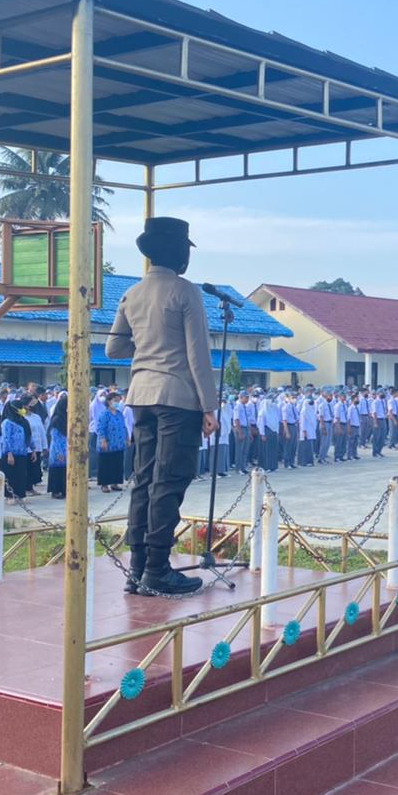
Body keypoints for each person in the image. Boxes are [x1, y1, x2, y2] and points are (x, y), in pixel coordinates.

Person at [106, 216, 218, 597]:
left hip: (140, 396)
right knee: (168, 483)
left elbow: (114, 348)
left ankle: (136, 569)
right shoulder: (184, 292)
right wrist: (209, 406)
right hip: (178, 398)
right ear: (179, 254)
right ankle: (157, 569)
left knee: (144, 481)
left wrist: (148, 345)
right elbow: (197, 355)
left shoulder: (131, 294)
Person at [0, 399, 34, 501]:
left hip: (22, 452)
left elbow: (29, 436)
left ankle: (20, 494)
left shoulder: (24, 421)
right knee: (11, 475)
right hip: (11, 453)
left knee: (21, 474)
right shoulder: (7, 422)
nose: (22, 410)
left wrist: (33, 449)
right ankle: (10, 495)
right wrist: (9, 453)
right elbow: (6, 438)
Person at [97, 391, 128, 492]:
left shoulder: (119, 414)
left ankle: (115, 483)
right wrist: (103, 440)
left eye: (119, 401)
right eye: (115, 401)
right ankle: (104, 484)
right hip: (108, 443)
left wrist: (127, 438)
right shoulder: (105, 414)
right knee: (106, 464)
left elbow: (124, 426)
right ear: (109, 402)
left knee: (117, 463)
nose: (117, 403)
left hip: (118, 443)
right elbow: (101, 428)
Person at [47, 395, 69, 499]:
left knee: (65, 470)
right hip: (58, 449)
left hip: (67, 448)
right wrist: (59, 452)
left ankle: (65, 490)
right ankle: (55, 491)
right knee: (57, 471)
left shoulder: (67, 418)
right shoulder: (57, 419)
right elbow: (55, 437)